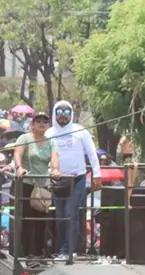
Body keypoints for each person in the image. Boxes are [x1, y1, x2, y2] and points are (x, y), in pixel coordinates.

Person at [45, 100, 101, 261]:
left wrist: (97, 174)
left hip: (77, 178)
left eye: (67, 112)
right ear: (55, 114)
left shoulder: (80, 131)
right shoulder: (49, 133)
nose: (63, 115)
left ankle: (69, 250)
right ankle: (61, 248)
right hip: (57, 180)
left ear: (71, 114)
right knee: (60, 216)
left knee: (71, 214)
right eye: (60, 112)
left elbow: (91, 153)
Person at [11, 112, 58, 256]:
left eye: (45, 120)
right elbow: (17, 153)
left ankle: (38, 252)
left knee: (41, 220)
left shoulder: (51, 142)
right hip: (27, 183)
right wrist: (19, 168)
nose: (42, 123)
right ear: (32, 124)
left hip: (42, 185)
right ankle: (25, 252)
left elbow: (55, 158)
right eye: (38, 121)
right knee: (26, 219)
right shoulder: (24, 138)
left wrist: (56, 170)